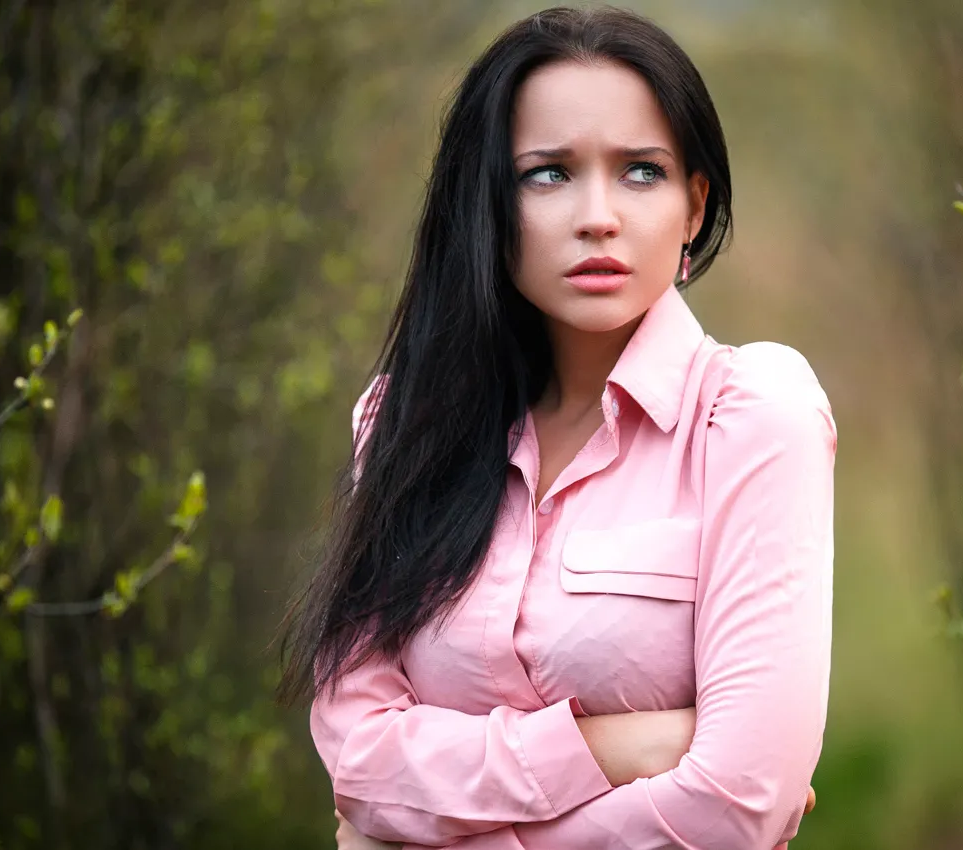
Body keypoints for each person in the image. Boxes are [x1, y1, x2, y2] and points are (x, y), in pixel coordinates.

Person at [277, 6, 837, 849]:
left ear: (694, 206)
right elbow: (360, 762)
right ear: (488, 208)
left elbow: (737, 808)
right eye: (548, 174)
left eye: (641, 172)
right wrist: (610, 748)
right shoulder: (407, 426)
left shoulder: (754, 417)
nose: (597, 216)